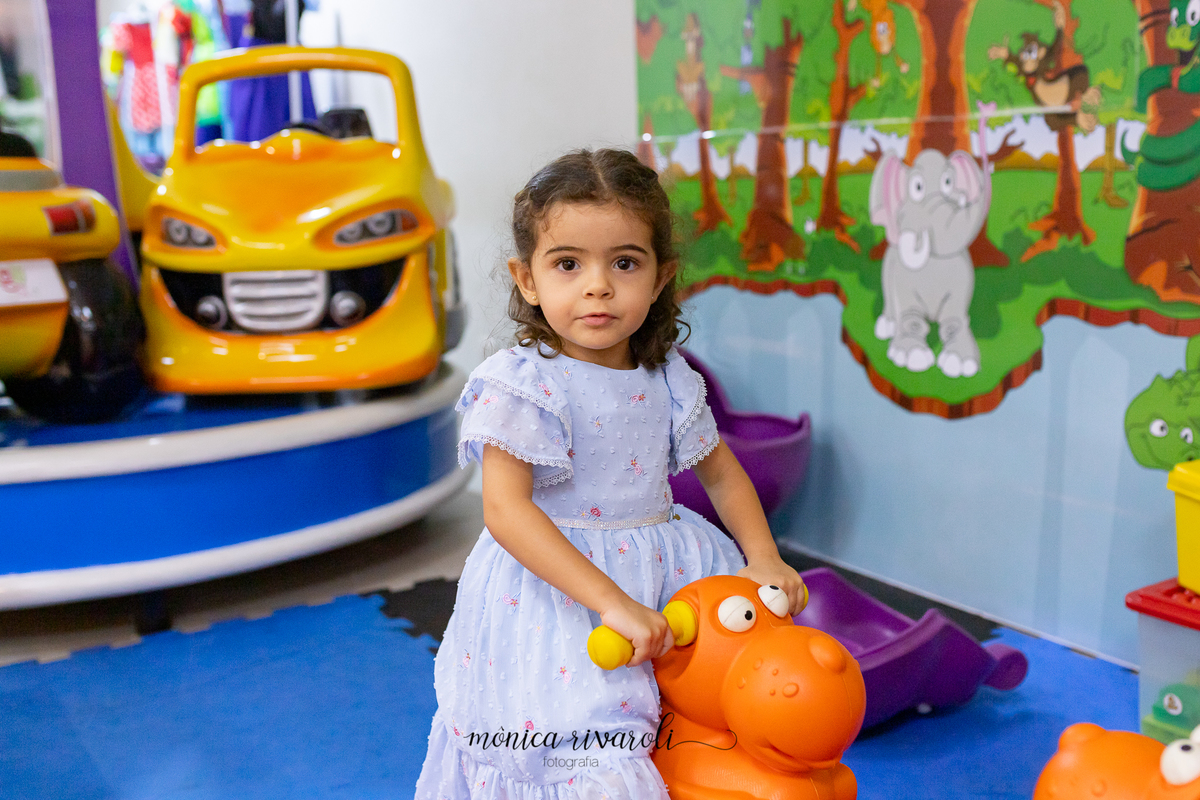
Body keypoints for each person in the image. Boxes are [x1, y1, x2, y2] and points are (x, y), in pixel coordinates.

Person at [415, 148, 807, 799]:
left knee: (691, 732)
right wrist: (608, 602)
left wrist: (763, 558)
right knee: (587, 750)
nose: (597, 285)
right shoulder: (525, 384)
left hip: (670, 572)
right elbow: (506, 511)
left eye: (624, 262)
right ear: (528, 279)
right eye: (568, 263)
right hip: (559, 593)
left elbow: (724, 475)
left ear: (659, 279)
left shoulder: (670, 379)